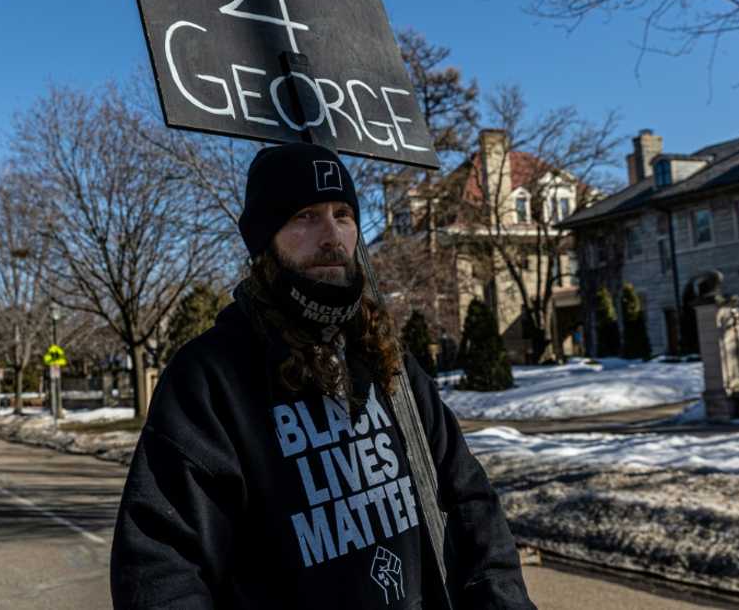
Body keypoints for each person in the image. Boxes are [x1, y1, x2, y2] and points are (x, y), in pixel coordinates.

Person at [110, 143, 535, 609]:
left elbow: (470, 503)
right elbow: (161, 568)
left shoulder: (387, 358)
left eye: (343, 214)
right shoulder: (211, 379)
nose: (332, 235)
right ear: (265, 240)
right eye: (305, 216)